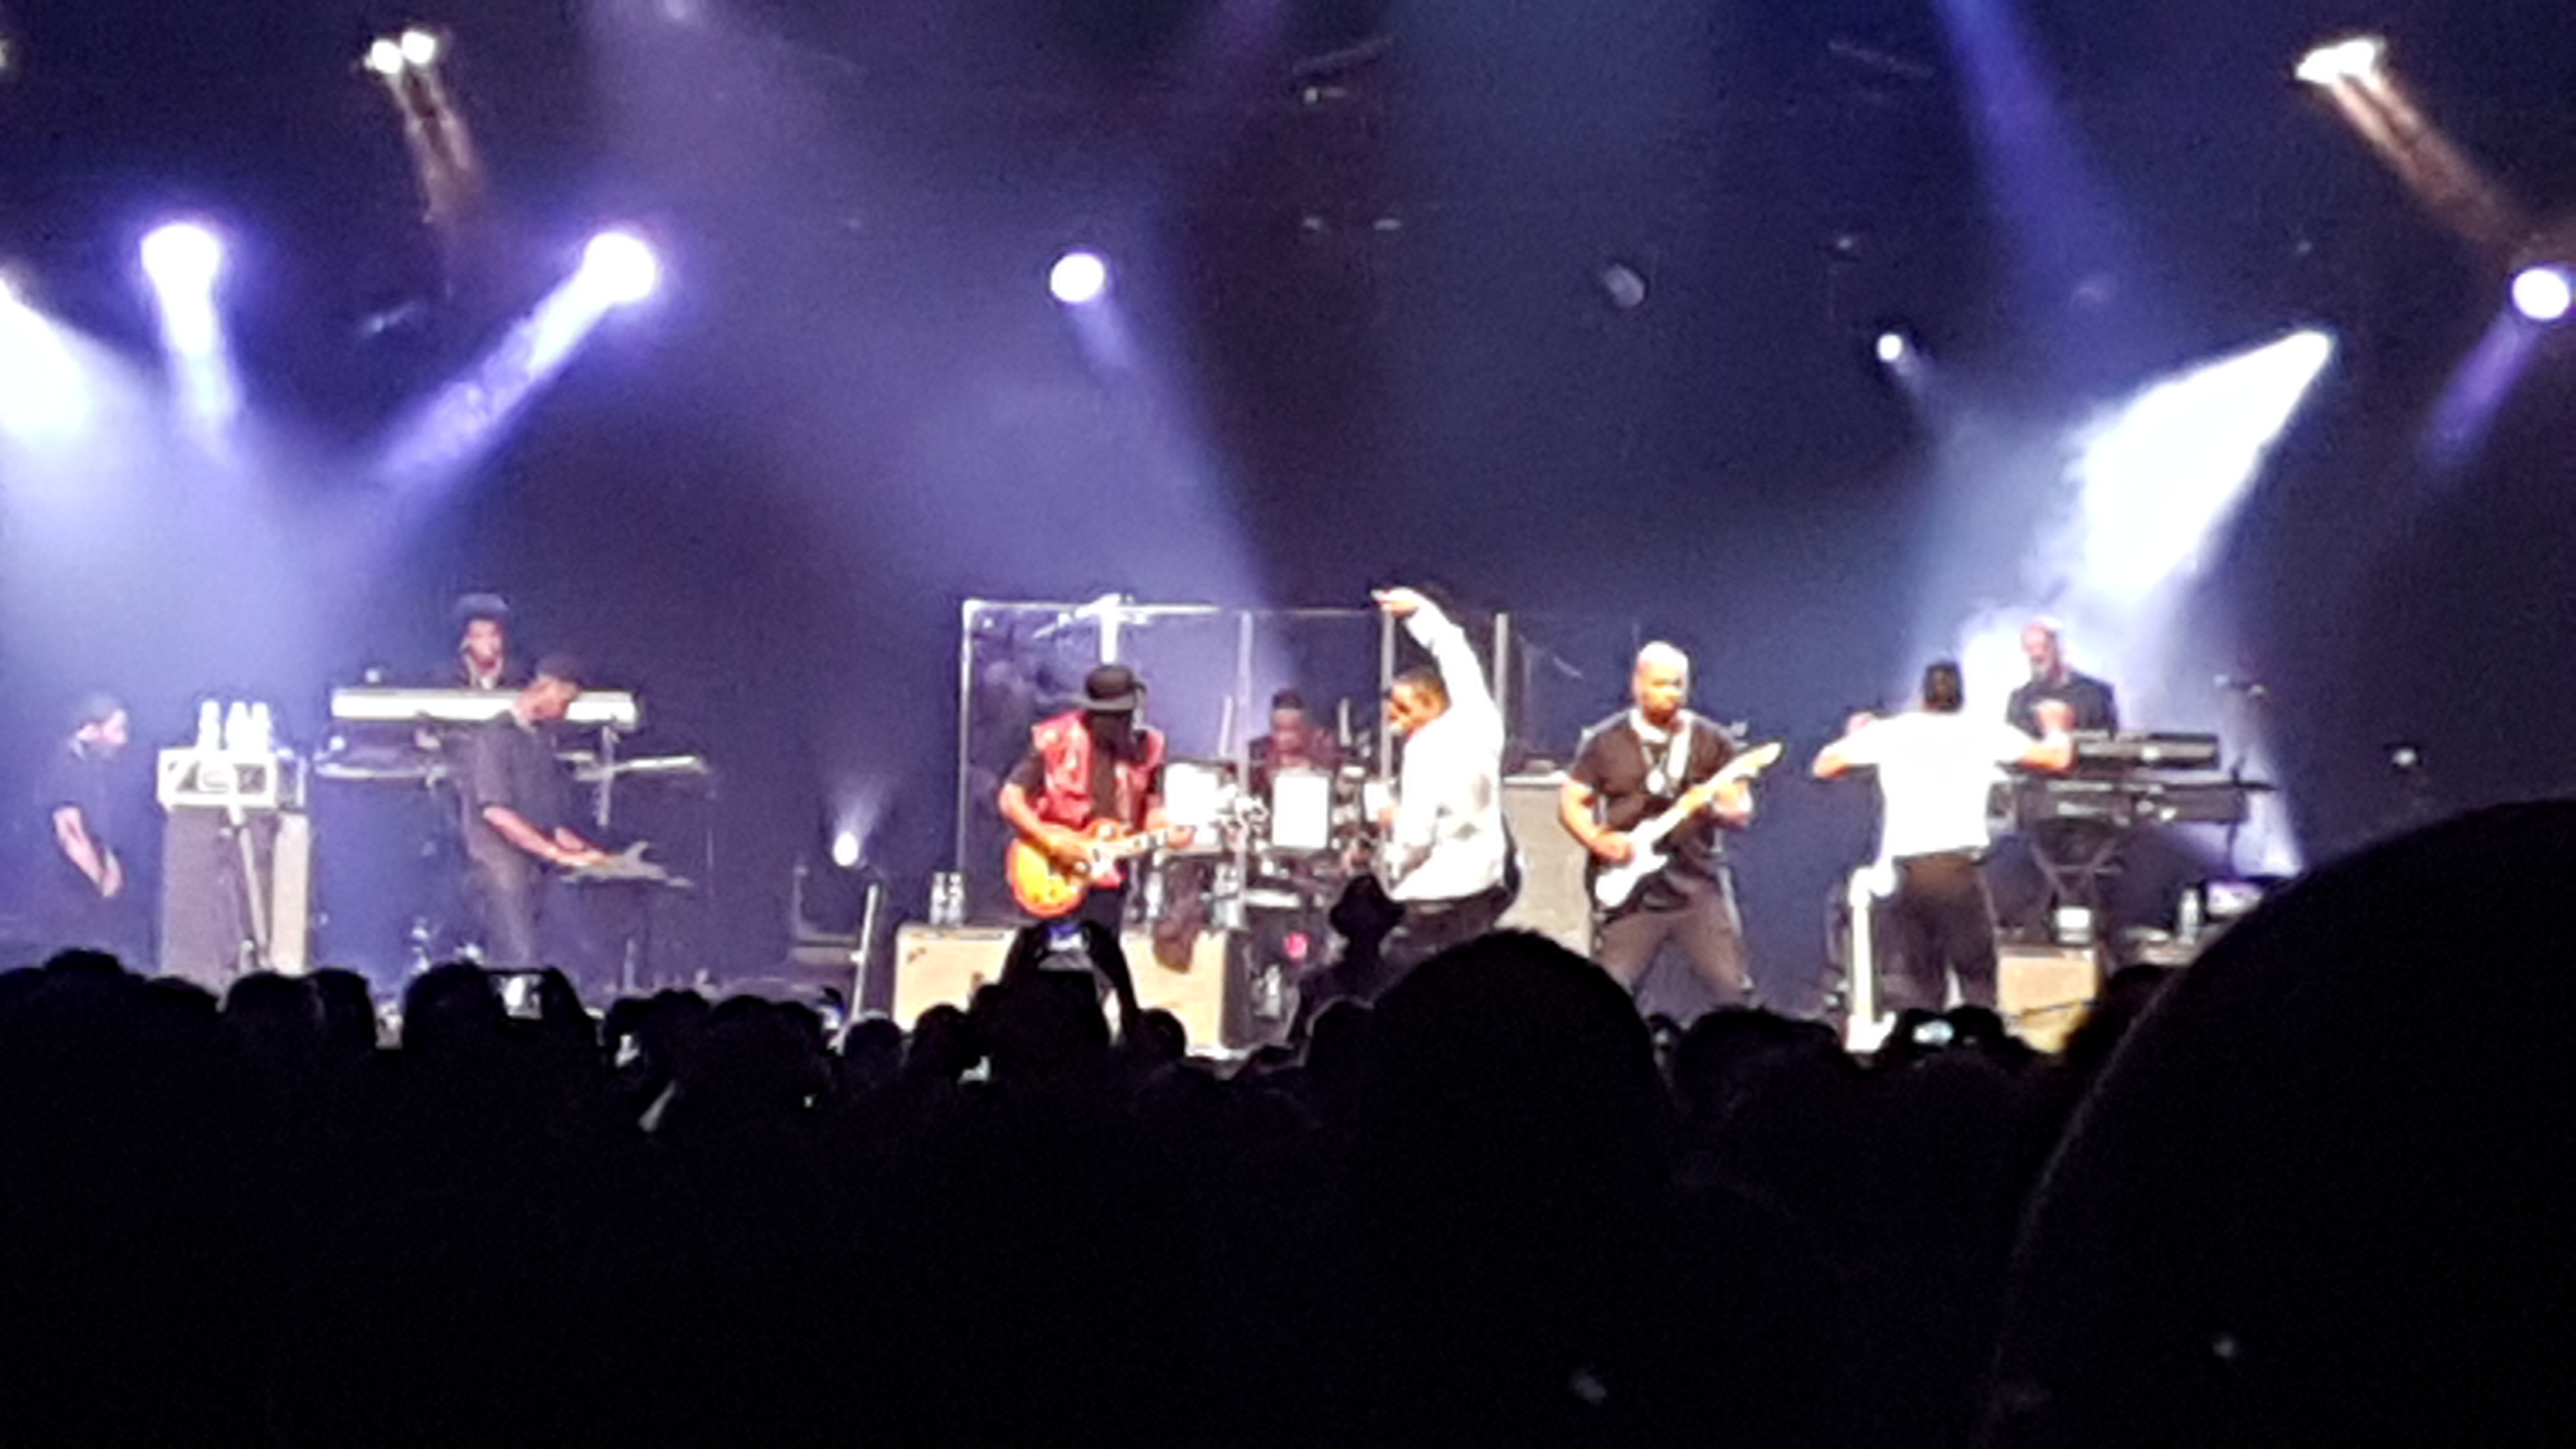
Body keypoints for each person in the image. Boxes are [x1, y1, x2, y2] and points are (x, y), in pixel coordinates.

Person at [1813, 663, 2074, 1013]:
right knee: (1978, 977)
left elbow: (1824, 765)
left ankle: (1923, 1040)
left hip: (1908, 872)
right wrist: (2057, 728)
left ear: (1922, 697)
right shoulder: (1981, 731)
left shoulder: (1894, 731)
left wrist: (1858, 736)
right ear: (1961, 696)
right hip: (1955, 870)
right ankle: (1980, 1039)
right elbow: (2056, 759)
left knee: (1922, 980)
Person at [1560, 642, 1758, 1008]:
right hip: (1633, 895)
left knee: (1731, 988)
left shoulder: (1712, 741)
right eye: (1660, 684)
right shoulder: (1605, 740)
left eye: (1678, 684)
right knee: (1608, 994)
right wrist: (1598, 840)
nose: (1671, 693)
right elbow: (1572, 801)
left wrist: (1716, 806)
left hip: (1697, 886)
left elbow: (1739, 807)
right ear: (1637, 684)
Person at [996, 663, 1181, 1025]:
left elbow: (1153, 809)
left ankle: (1089, 1026)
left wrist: (1165, 832)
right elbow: (1010, 798)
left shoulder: (1148, 749)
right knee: (1035, 950)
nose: (1116, 724)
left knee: (1103, 955)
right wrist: (1052, 840)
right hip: (1055, 864)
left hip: (1108, 870)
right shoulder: (1055, 740)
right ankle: (1008, 1021)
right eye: (1108, 716)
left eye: (1122, 716)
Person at [1371, 586, 1511, 981]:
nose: (1397, 722)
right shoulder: (1482, 720)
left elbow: (1416, 836)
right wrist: (1421, 611)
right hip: (1485, 882)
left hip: (1437, 892)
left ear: (1431, 703)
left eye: (1403, 711)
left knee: (1395, 971)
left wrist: (1393, 833)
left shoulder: (1424, 749)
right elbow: (1457, 655)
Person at [452, 656, 609, 970]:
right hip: (500, 861)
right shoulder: (494, 737)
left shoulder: (542, 740)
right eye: (565, 701)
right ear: (545, 688)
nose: (566, 712)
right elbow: (497, 812)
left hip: (538, 861)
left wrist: (578, 849)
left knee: (577, 942)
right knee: (522, 953)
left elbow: (547, 814)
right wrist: (555, 853)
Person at [33, 693, 141, 956]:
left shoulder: (94, 766)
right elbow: (71, 833)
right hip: (66, 891)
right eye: (115, 731)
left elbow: (100, 827)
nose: (122, 740)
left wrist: (110, 863)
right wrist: (98, 879)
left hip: (88, 885)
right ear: (91, 730)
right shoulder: (66, 767)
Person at [2005, 618, 2117, 736]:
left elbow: (2112, 742)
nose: (2037, 655)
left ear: (2058, 648)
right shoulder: (2020, 702)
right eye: (2030, 649)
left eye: (2043, 647)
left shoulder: (2096, 694)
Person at [1246, 689, 1342, 799]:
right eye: (1280, 729)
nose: (1286, 738)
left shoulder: (1321, 751)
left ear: (1307, 728)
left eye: (1293, 730)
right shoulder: (1262, 753)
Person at [450, 592, 523, 693]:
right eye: (479, 636)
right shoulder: (447, 680)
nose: (488, 642)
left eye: (494, 635)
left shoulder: (522, 678)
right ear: (466, 640)